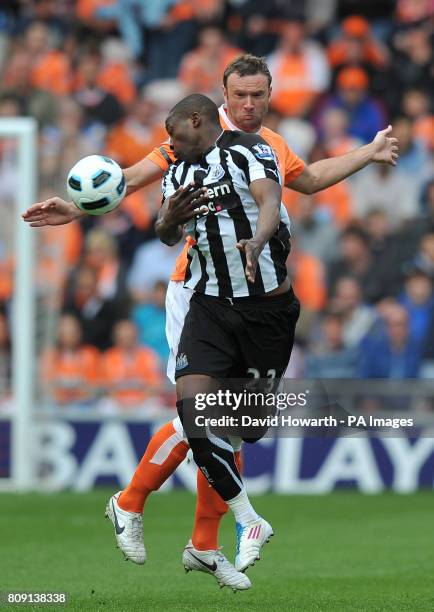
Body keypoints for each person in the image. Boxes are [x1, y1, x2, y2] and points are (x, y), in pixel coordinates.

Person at [23, 54, 399, 589]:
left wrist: (368, 150)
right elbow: (130, 178)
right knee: (202, 411)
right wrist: (77, 209)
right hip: (198, 291)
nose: (249, 105)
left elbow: (310, 180)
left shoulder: (269, 145)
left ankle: (202, 543)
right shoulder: (193, 131)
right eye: (240, 95)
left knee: (238, 430)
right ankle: (131, 502)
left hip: (260, 301)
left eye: (259, 96)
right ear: (223, 94)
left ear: (270, 95)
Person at [152, 92, 301, 583]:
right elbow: (166, 233)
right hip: (211, 307)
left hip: (266, 311)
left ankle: (226, 527)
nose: (170, 145)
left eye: (175, 134)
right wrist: (168, 221)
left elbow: (269, 199)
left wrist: (258, 240)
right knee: (195, 416)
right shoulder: (178, 171)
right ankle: (247, 519)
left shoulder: (249, 149)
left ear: (197, 121)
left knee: (244, 429)